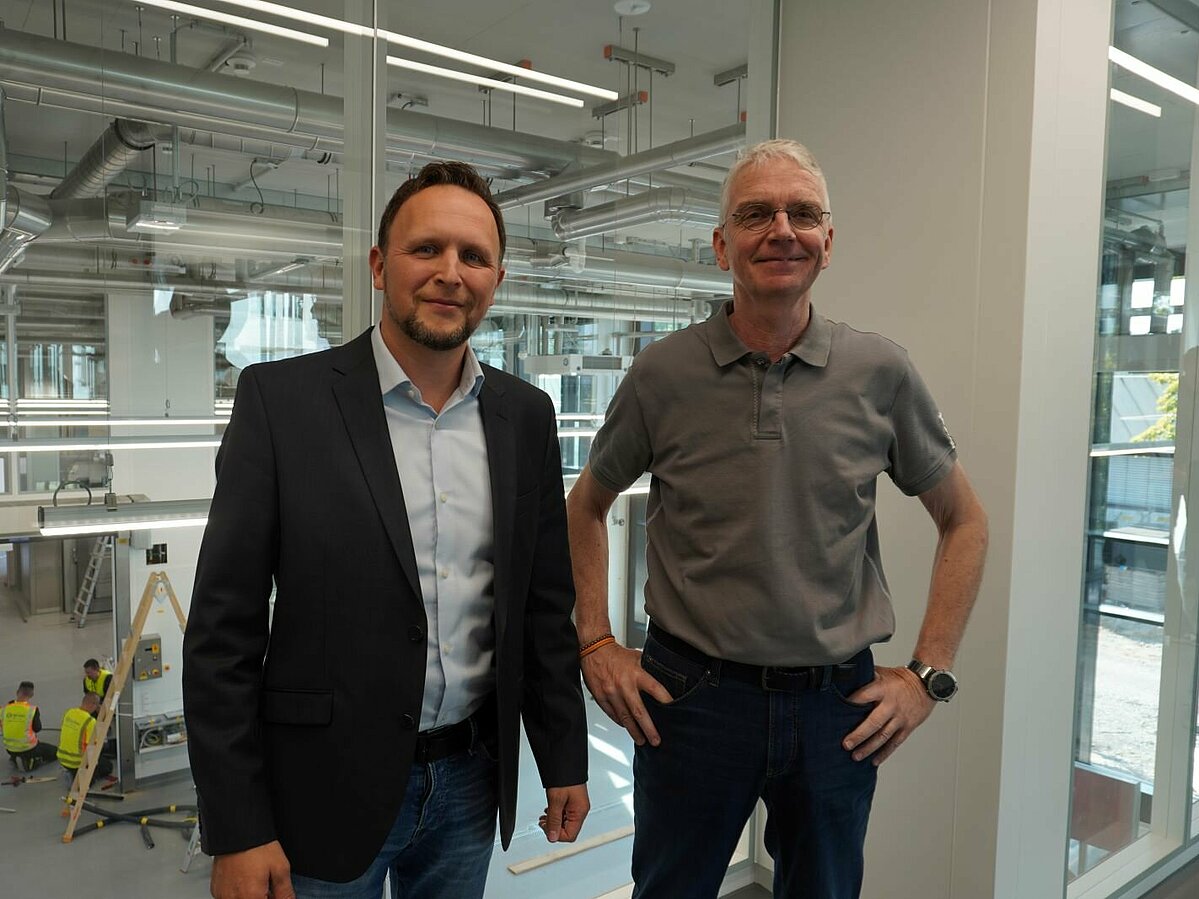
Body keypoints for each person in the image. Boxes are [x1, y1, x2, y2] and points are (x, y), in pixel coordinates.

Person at [566, 139, 989, 899]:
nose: (781, 229)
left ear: (828, 241)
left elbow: (964, 520)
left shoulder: (879, 371)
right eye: (755, 213)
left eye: (802, 213)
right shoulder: (662, 373)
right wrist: (595, 641)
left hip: (838, 707)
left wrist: (928, 674)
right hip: (690, 699)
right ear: (721, 243)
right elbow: (585, 506)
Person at [183, 160, 589, 899]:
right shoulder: (282, 404)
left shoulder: (525, 417)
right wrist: (237, 824)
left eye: (473, 256)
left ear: (496, 279)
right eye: (425, 249)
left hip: (470, 783)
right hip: (319, 788)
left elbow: (541, 608)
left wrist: (563, 755)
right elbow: (223, 632)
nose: (449, 272)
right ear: (379, 265)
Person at [57, 693, 113, 786]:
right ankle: (81, 779)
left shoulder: (69, 712)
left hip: (62, 758)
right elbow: (96, 746)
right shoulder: (90, 721)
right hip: (77, 762)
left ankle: (72, 774)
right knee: (107, 766)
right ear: (93, 705)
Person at [3, 681, 57, 771]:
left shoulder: (4, 709)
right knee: (55, 752)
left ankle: (14, 757)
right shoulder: (32, 710)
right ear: (31, 694)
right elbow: (37, 728)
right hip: (28, 748)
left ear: (17, 692)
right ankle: (32, 762)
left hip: (9, 748)